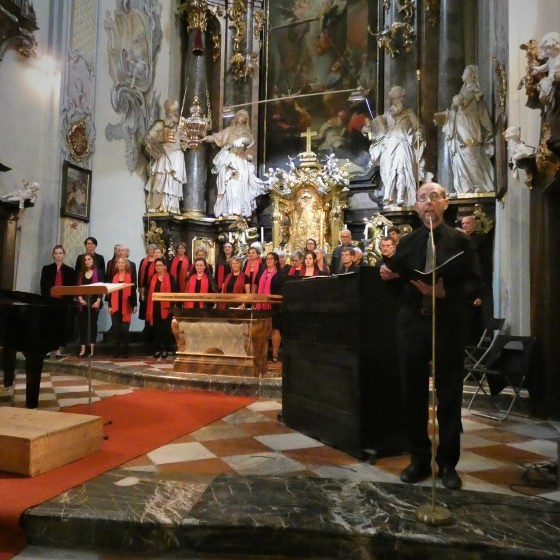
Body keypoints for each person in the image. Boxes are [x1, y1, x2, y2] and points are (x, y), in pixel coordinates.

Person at [379, 183, 481, 490]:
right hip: (413, 324)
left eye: (434, 197)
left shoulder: (460, 240)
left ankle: (448, 464)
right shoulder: (408, 242)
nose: (428, 203)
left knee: (449, 395)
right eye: (422, 198)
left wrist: (445, 292)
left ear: (445, 203)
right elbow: (396, 284)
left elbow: (475, 284)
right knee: (412, 394)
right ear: (416, 206)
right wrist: (388, 276)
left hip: (447, 323)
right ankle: (419, 460)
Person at [435, 65, 495, 194]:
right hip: (460, 131)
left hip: (469, 128)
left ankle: (479, 184)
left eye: (464, 71)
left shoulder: (473, 89)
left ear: (472, 75)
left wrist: (454, 102)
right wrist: (444, 118)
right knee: (459, 157)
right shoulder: (465, 90)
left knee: (471, 154)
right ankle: (466, 186)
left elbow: (458, 101)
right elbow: (455, 109)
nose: (462, 74)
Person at [203, 109, 266, 218]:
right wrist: (204, 138)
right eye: (240, 114)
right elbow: (216, 137)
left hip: (238, 159)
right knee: (225, 184)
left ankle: (236, 210)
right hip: (226, 158)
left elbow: (248, 140)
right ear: (236, 117)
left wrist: (241, 141)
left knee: (236, 184)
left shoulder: (246, 133)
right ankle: (226, 209)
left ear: (246, 119)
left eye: (244, 115)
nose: (241, 116)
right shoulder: (228, 130)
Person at [368, 86, 425, 206]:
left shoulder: (409, 113)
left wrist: (419, 133)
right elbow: (376, 126)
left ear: (402, 100)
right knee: (389, 171)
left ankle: (401, 197)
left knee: (402, 169)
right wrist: (368, 129)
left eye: (397, 100)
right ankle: (389, 196)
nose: (395, 104)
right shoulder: (387, 115)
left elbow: (418, 127)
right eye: (393, 101)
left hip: (402, 144)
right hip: (389, 145)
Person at [144, 98, 187, 214]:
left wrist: (185, 140)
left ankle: (171, 206)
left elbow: (187, 141)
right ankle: (155, 205)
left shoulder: (180, 127)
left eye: (175, 113)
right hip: (164, 153)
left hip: (176, 155)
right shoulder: (160, 125)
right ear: (168, 113)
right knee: (159, 178)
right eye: (172, 112)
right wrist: (154, 139)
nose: (174, 115)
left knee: (173, 180)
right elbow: (149, 137)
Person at [40, 245, 75, 358]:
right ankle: (49, 348)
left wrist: (67, 301)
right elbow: (43, 286)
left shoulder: (69, 270)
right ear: (53, 255)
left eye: (60, 253)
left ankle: (58, 349)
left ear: (64, 255)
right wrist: (47, 299)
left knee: (61, 325)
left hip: (63, 302)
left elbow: (71, 288)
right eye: (56, 253)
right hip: (50, 301)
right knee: (49, 325)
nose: (58, 255)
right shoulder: (47, 269)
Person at [146, 258, 177, 359]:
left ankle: (165, 349)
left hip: (167, 308)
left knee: (165, 329)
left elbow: (174, 292)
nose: (158, 267)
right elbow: (148, 293)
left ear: (165, 267)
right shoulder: (152, 278)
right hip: (155, 307)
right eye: (156, 265)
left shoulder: (170, 278)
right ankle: (158, 349)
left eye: (160, 265)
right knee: (156, 329)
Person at [255, 252, 284, 363]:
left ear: (276, 261)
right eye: (267, 259)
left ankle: (275, 355)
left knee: (274, 329)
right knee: (263, 331)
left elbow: (281, 290)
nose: (269, 260)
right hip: (262, 305)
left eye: (271, 259)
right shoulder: (262, 272)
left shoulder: (280, 274)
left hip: (274, 305)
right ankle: (264, 354)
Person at [107, 257, 137, 358]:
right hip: (115, 307)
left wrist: (134, 305)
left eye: (122, 262)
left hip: (126, 306)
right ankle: (116, 351)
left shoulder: (130, 276)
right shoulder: (114, 277)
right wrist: (110, 305)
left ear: (126, 264)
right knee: (115, 330)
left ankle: (125, 351)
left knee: (124, 330)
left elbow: (133, 292)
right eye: (119, 262)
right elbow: (110, 292)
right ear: (117, 265)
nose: (120, 264)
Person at [76, 253, 104, 357]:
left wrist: (98, 300)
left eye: (89, 259)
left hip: (94, 302)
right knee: (82, 325)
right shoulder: (81, 273)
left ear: (93, 261)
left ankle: (92, 349)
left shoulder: (99, 272)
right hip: (83, 303)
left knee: (93, 325)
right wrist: (80, 298)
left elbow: (101, 287)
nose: (87, 261)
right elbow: (78, 287)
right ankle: (83, 349)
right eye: (85, 260)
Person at [532, 32, 560, 106]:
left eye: (546, 50)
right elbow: (546, 66)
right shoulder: (551, 59)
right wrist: (538, 69)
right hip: (550, 82)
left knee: (548, 96)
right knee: (543, 95)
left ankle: (550, 104)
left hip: (556, 82)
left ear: (554, 46)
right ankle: (548, 105)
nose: (545, 53)